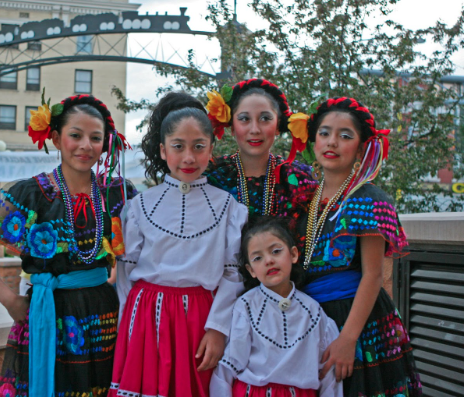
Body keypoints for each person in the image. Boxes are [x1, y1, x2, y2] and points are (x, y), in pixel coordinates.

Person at [0, 94, 134, 397]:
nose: (85, 146)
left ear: (105, 143)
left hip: (104, 314)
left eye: (95, 138)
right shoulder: (29, 192)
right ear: (56, 138)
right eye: (75, 135)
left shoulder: (117, 192)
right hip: (46, 312)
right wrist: (8, 299)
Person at [110, 93, 249, 397]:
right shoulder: (139, 206)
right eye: (178, 146)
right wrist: (128, 324)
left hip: (201, 318)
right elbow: (126, 271)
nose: (188, 157)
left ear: (211, 149)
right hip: (146, 316)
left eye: (198, 146)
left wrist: (217, 329)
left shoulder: (228, 207)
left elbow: (231, 273)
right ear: (162, 150)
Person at [296, 97, 421, 396]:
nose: (332, 142)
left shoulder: (368, 198)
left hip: (358, 322)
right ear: (313, 140)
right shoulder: (303, 199)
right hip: (312, 319)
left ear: (362, 148)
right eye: (325, 133)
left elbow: (373, 275)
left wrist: (348, 339)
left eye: (345, 136)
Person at [210, 216, 342, 397]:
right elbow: (229, 365)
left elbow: (328, 375)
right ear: (251, 271)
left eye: (276, 251)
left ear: (293, 254)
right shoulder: (246, 306)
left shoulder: (313, 311)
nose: (268, 261)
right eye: (258, 258)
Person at [205, 78, 316, 223]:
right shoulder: (212, 177)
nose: (255, 129)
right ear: (232, 127)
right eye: (244, 119)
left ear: (278, 126)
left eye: (265, 118)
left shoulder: (299, 180)